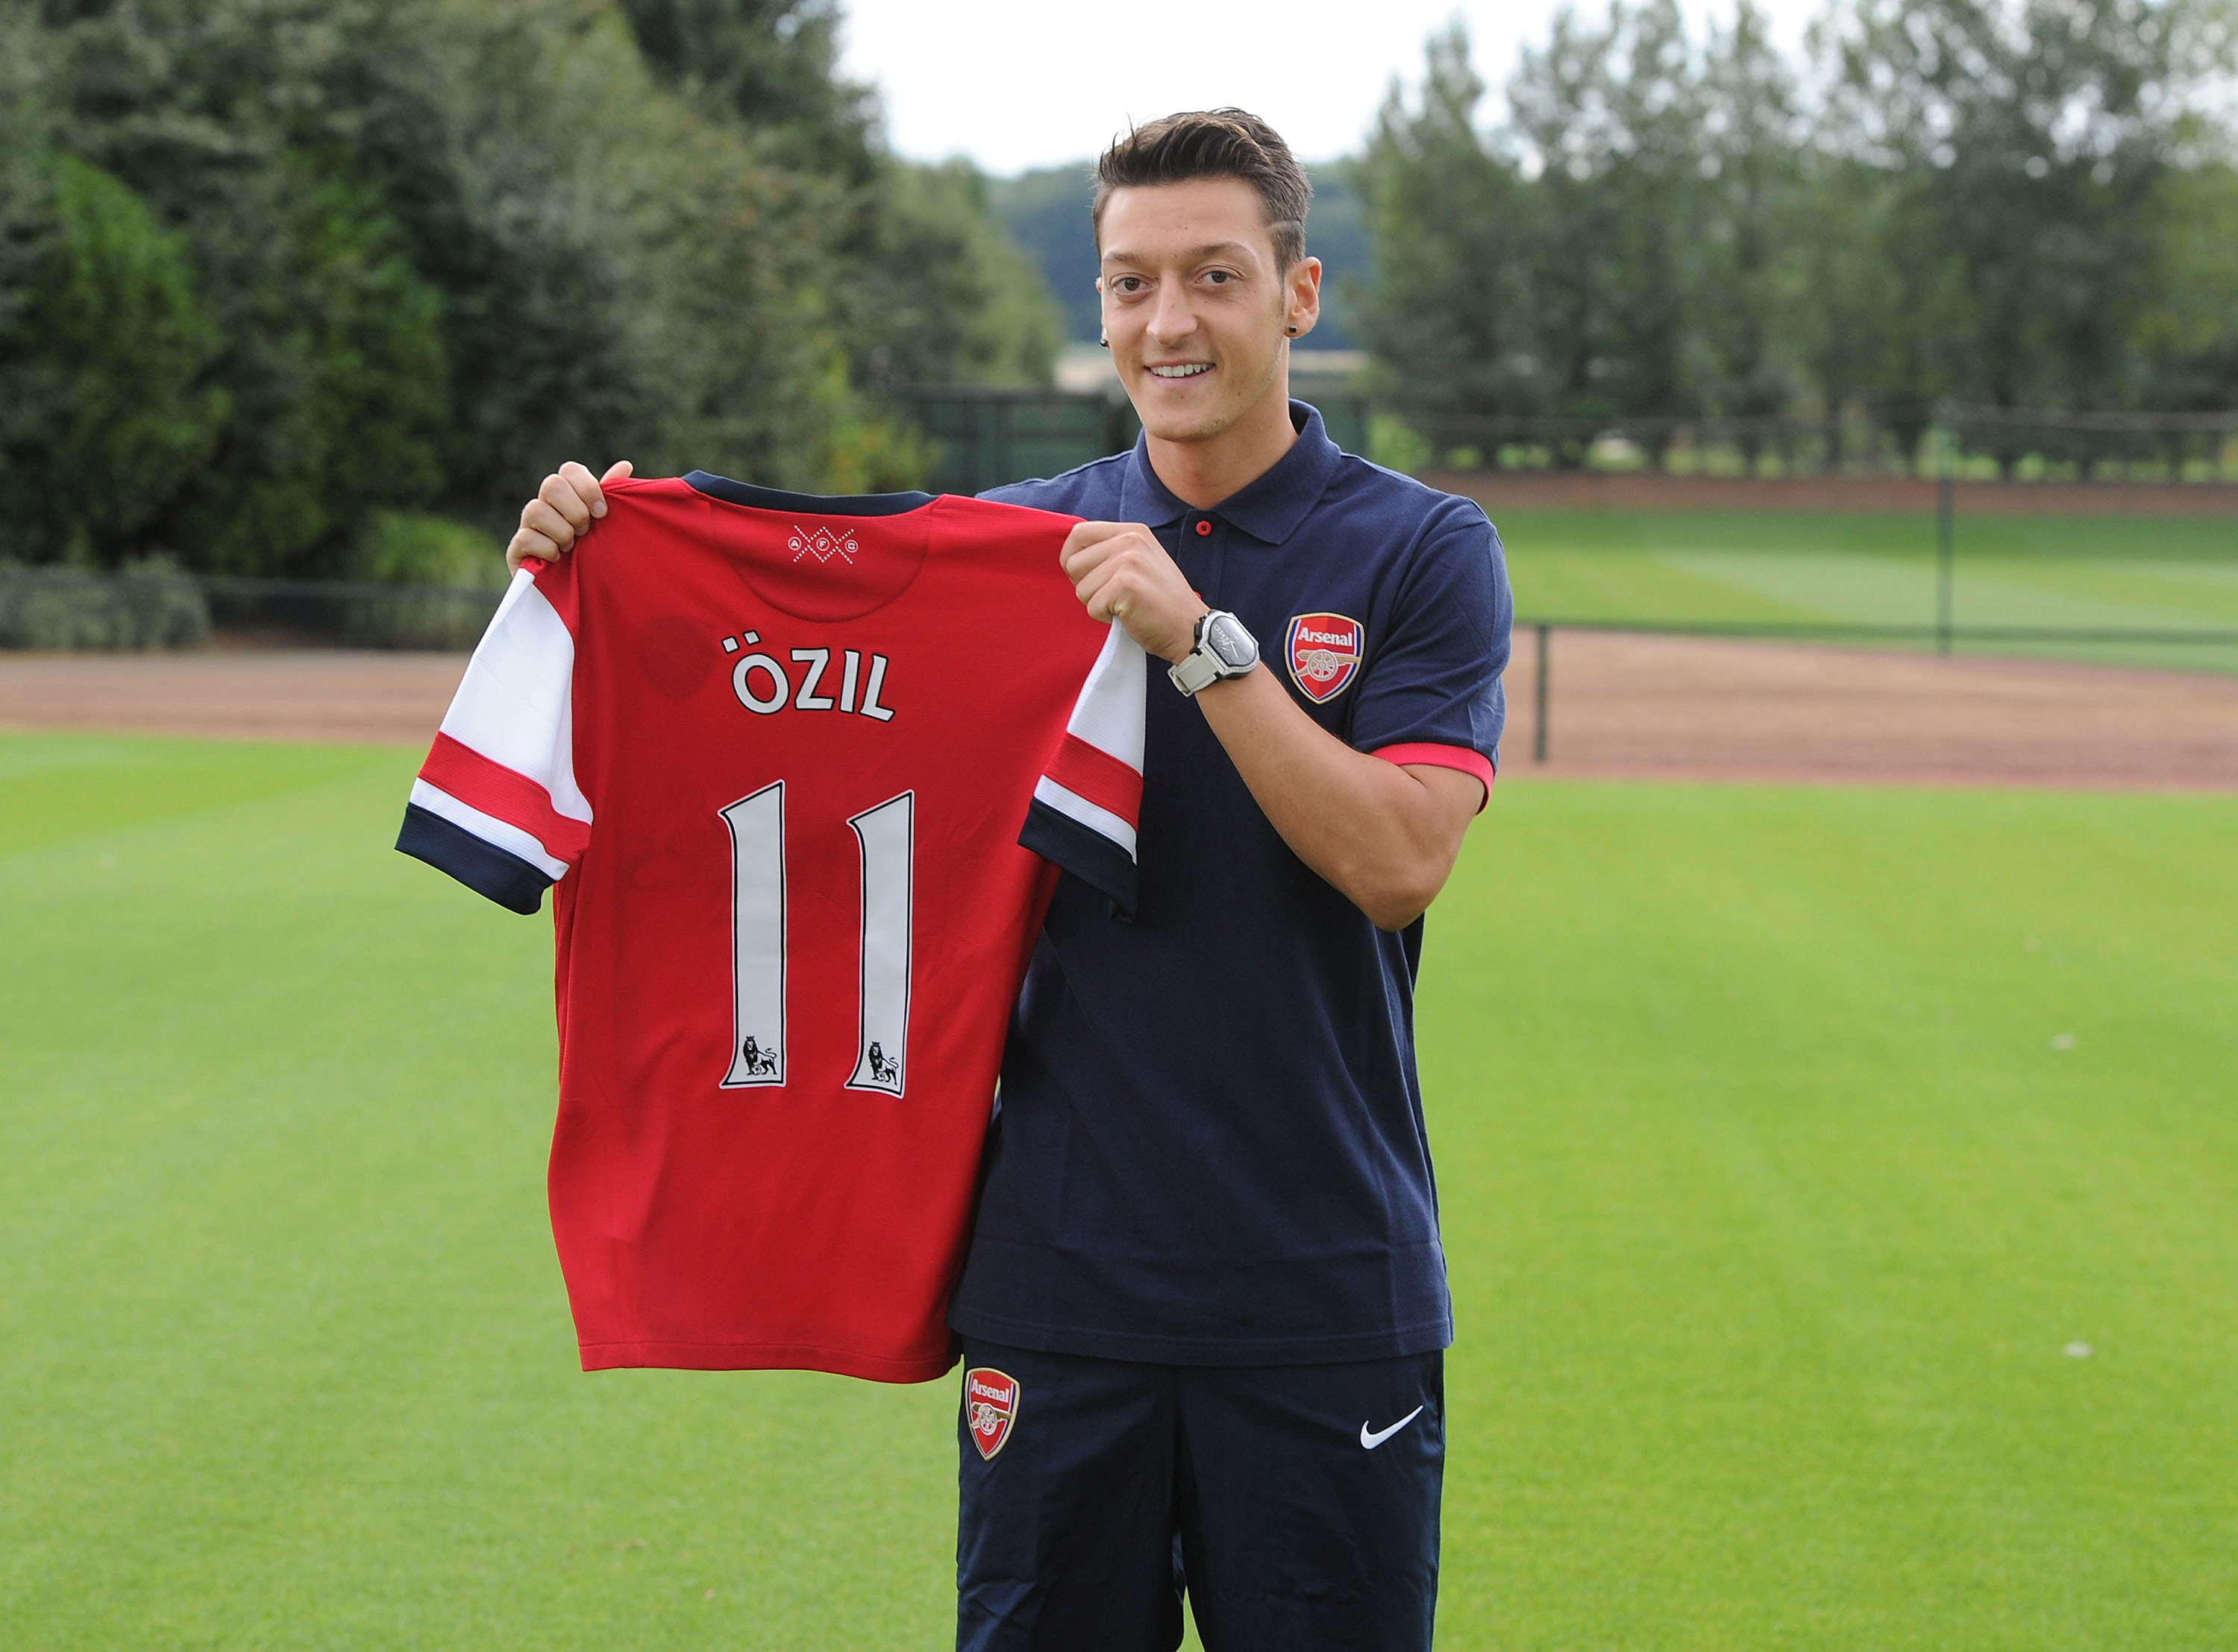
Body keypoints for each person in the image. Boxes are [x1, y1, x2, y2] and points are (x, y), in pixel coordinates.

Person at [506, 109, 1511, 1652]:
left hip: (1321, 1293)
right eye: (1129, 284)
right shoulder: (1013, 546)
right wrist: (605, 553)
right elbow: (772, 696)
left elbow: (1397, 858)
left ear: (1300, 294)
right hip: (1055, 1287)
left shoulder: (1423, 551)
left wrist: (1200, 643)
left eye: (1215, 277)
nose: (1167, 322)